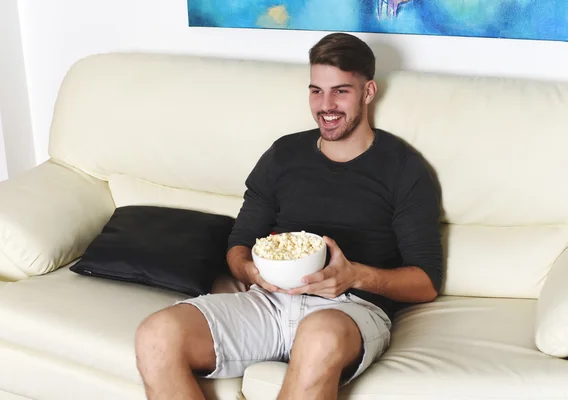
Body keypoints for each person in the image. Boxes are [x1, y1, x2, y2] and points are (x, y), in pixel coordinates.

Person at [135, 32, 443, 400]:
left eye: (340, 91)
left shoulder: (403, 168)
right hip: (268, 301)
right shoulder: (283, 155)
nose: (325, 105)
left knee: (319, 338)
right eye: (316, 90)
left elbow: (426, 282)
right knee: (156, 336)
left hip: (348, 309)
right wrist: (250, 271)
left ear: (369, 91)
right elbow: (239, 245)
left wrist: (355, 275)